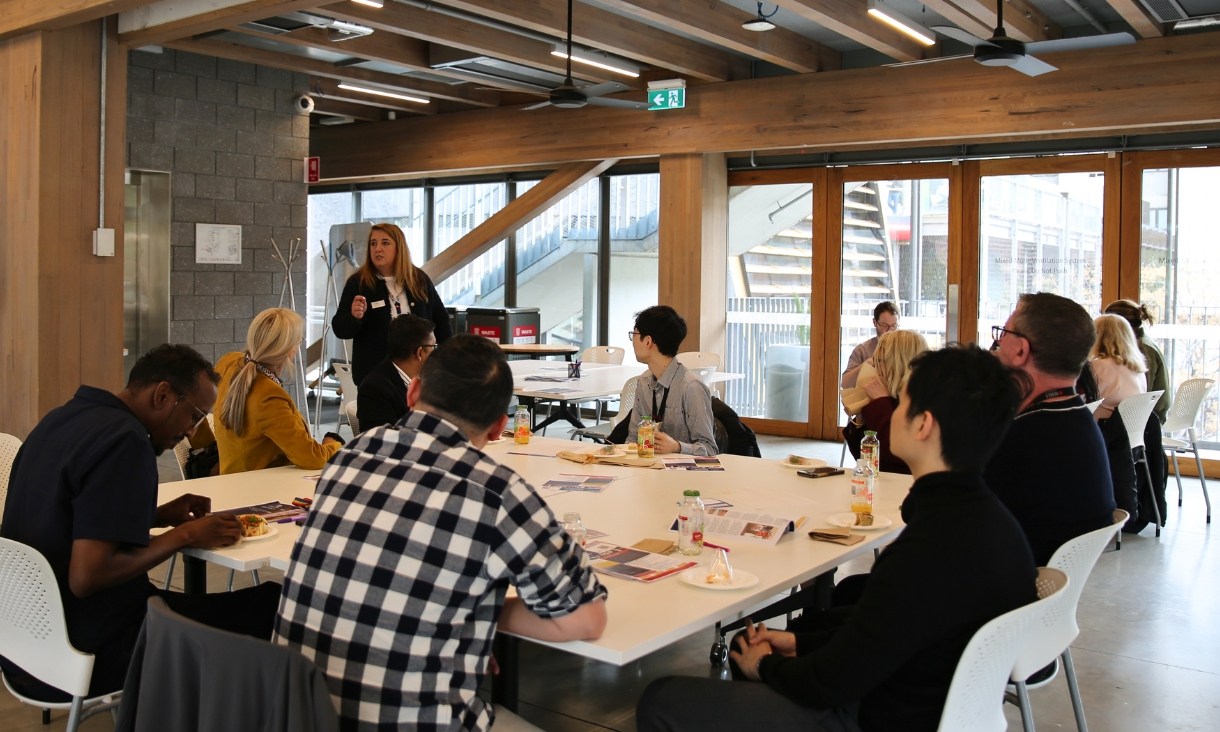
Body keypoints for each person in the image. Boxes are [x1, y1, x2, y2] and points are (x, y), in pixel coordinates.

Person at [636, 346, 1037, 732]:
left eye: (903, 401)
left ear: (923, 424)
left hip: (872, 716)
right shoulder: (994, 525)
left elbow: (834, 680)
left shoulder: (928, 549)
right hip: (935, 707)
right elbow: (883, 627)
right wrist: (797, 641)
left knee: (663, 699)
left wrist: (768, 666)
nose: (892, 412)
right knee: (749, 646)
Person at [275, 335, 608, 730]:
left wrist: (453, 618)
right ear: (500, 426)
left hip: (296, 713)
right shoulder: (496, 491)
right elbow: (586, 619)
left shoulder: (352, 454)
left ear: (413, 391)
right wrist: (474, 617)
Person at [0, 345, 281, 701]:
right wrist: (185, 534)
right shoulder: (126, 442)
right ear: (162, 394)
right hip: (92, 653)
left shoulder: (61, 418)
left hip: (26, 646)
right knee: (272, 603)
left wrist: (159, 515)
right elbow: (87, 577)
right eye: (194, 416)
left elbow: (68, 517)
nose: (193, 433)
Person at [986, 292, 1116, 564]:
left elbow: (937, 521)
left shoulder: (1022, 440)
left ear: (1021, 349)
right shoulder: (1079, 420)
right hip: (1046, 590)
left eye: (1003, 334)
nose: (997, 343)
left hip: (1002, 594)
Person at [211, 308, 342, 474]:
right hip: (262, 487)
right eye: (299, 342)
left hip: (230, 475)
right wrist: (334, 444)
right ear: (289, 351)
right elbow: (312, 458)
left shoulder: (228, 362)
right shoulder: (270, 399)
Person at [331, 223, 452, 385]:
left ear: (399, 248)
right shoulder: (359, 282)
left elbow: (442, 322)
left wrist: (443, 364)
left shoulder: (418, 279)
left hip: (420, 376)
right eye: (373, 243)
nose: (377, 249)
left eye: (385, 243)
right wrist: (354, 317)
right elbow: (340, 329)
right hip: (374, 376)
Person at [624, 305, 718, 456]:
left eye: (634, 333)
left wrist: (677, 447)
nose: (632, 340)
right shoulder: (644, 382)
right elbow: (633, 438)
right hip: (648, 470)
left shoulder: (691, 387)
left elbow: (710, 449)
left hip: (683, 476)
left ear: (648, 341)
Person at [842, 329, 929, 474]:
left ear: (899, 364)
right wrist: (860, 421)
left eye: (880, 361)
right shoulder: (888, 393)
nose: (875, 367)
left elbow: (895, 452)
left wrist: (881, 402)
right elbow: (862, 456)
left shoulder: (924, 402)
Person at [356, 313, 436, 430]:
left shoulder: (427, 381)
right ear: (420, 353)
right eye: (434, 347)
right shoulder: (374, 390)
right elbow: (382, 442)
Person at [1104, 299, 1172, 423]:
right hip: (1145, 417)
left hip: (1147, 421)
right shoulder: (1141, 344)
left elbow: (1143, 393)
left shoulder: (1142, 350)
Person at [1088, 313, 1147, 421]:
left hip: (1104, 431)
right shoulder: (1138, 368)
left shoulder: (1099, 365)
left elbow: (1081, 401)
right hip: (1129, 433)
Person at [841, 301, 899, 388]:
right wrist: (866, 364)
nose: (890, 330)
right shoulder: (862, 350)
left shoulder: (905, 348)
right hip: (869, 399)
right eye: (884, 325)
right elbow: (845, 384)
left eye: (894, 326)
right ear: (874, 322)